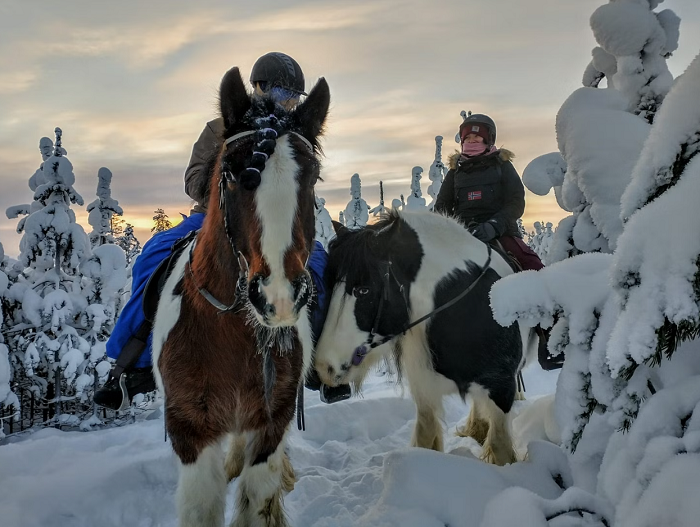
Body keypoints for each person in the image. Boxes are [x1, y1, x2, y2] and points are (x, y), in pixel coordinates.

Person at [94, 53, 350, 410]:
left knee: (320, 265)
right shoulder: (221, 128)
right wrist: (227, 185)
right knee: (155, 255)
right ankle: (129, 366)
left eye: (294, 96)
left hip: (273, 225)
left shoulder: (294, 136)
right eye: (280, 92)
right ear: (259, 88)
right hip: (216, 216)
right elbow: (193, 179)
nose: (288, 103)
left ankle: (322, 365)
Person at [433, 112, 563, 370]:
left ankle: (552, 339)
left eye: (477, 137)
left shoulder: (502, 165)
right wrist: (458, 229)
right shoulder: (454, 172)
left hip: (500, 231)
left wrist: (494, 225)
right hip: (463, 236)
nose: (472, 140)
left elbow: (516, 201)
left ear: (489, 139)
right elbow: (442, 209)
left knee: (534, 268)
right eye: (467, 136)